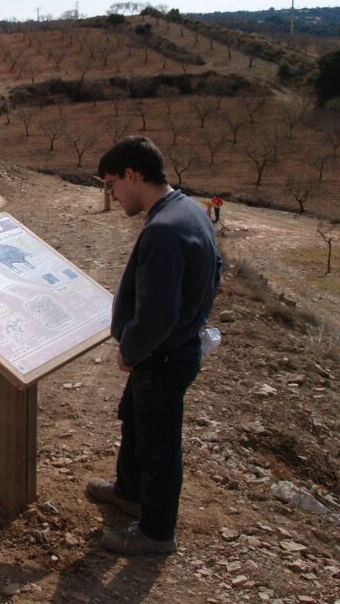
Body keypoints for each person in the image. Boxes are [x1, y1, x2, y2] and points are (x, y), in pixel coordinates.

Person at [88, 137, 222, 555]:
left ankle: (156, 533)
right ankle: (128, 491)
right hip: (171, 350)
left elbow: (157, 315)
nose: (112, 194)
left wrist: (131, 350)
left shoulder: (164, 231)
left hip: (162, 356)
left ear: (132, 175)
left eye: (112, 184)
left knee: (160, 445)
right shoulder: (188, 213)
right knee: (134, 417)